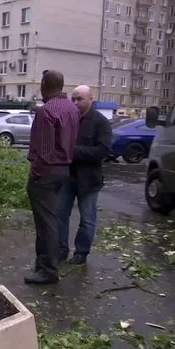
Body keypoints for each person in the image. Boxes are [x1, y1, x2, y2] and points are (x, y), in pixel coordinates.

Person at [24, 70, 80, 285]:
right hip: (63, 170)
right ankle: (44, 264)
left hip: (46, 173)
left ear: (45, 84)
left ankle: (48, 270)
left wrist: (35, 174)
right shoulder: (71, 108)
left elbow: (45, 153)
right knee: (51, 219)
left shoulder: (46, 112)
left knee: (46, 223)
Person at [57, 85, 112, 264]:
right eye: (73, 99)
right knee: (60, 215)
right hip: (67, 177)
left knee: (87, 219)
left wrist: (73, 152)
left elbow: (103, 151)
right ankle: (61, 249)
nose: (75, 102)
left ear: (90, 99)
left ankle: (81, 252)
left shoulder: (100, 122)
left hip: (89, 180)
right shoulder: (69, 119)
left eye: (80, 99)